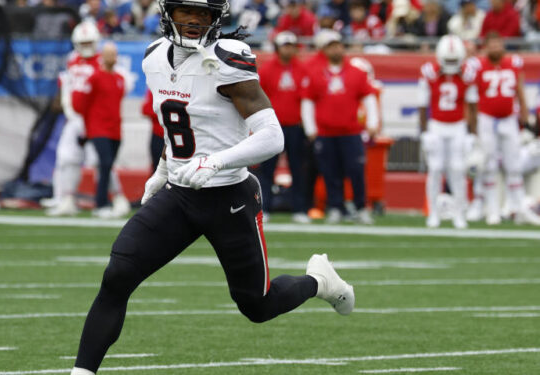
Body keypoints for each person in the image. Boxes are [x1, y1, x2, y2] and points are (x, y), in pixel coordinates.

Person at [69, 0, 355, 373]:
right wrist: (163, 167)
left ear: (216, 17)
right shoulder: (155, 55)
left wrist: (216, 161)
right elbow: (182, 126)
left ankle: (319, 281)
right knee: (118, 273)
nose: (194, 19)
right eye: (186, 10)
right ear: (168, 12)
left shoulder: (226, 58)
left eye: (203, 13)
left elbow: (272, 137)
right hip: (181, 192)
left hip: (229, 196)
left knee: (258, 305)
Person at [47, 21, 129, 217]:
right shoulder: (72, 59)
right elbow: (67, 87)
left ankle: (118, 198)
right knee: (66, 158)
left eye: (89, 42)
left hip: (94, 119)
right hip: (75, 118)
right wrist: (68, 108)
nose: (85, 47)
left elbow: (120, 85)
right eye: (82, 43)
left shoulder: (106, 62)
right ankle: (66, 198)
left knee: (102, 162)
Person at [301, 30, 379, 225]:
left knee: (356, 171)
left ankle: (361, 207)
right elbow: (308, 101)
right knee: (330, 172)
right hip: (326, 132)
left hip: (351, 131)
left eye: (338, 45)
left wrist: (372, 123)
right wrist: (310, 128)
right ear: (325, 50)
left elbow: (369, 97)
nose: (335, 49)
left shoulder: (356, 72)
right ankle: (336, 207)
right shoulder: (316, 73)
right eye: (331, 46)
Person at [470, 33, 540, 225]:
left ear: (502, 46)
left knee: (514, 165)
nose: (495, 48)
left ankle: (519, 210)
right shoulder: (478, 66)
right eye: (491, 45)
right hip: (487, 118)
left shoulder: (513, 64)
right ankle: (492, 209)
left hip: (508, 119)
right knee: (489, 165)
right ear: (485, 47)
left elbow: (520, 92)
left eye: (498, 44)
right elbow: (471, 98)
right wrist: (473, 125)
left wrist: (526, 121)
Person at [417, 35, 476, 229]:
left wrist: (471, 134)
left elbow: (472, 106)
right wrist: (424, 132)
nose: (451, 64)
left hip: (458, 126)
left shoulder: (468, 74)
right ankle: (433, 213)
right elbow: (422, 105)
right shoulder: (429, 73)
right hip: (437, 126)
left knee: (458, 170)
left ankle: (459, 214)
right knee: (434, 169)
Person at [257, 31, 310, 224]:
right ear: (278, 48)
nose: (289, 49)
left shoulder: (302, 69)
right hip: (272, 126)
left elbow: (306, 99)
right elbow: (259, 98)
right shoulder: (267, 69)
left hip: (295, 126)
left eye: (291, 45)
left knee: (298, 168)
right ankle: (265, 207)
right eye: (285, 45)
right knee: (267, 169)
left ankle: (300, 208)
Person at [72, 43, 127, 218]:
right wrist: (88, 130)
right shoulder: (94, 78)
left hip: (115, 129)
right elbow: (82, 105)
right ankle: (101, 202)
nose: (112, 58)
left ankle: (108, 201)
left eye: (114, 54)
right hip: (99, 128)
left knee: (108, 165)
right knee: (105, 162)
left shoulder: (119, 79)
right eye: (109, 54)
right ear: (102, 56)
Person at [141, 89, 165, 173]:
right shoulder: (155, 89)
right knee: (157, 169)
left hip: (175, 137)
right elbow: (145, 109)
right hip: (158, 135)